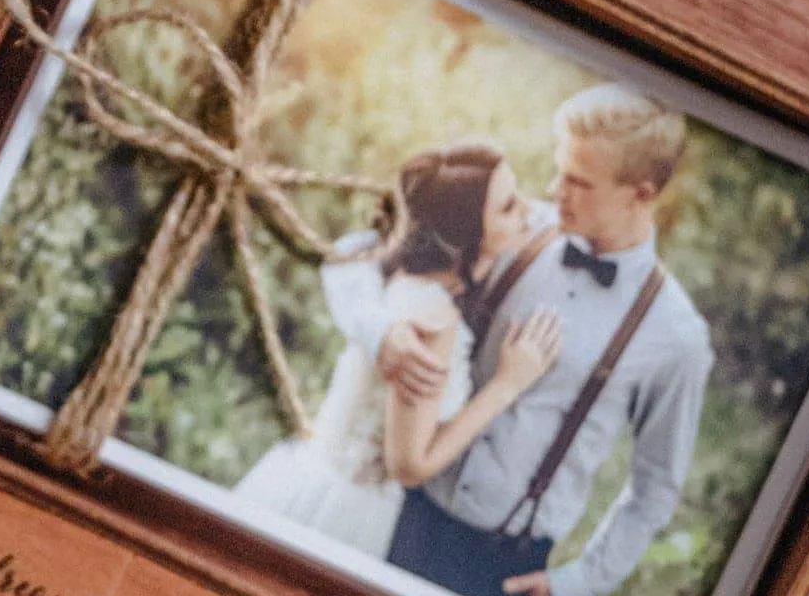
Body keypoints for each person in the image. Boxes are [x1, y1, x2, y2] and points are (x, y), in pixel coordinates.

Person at [348, 84, 714, 596]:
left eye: (577, 182)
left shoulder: (676, 336)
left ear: (642, 191)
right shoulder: (512, 226)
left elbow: (656, 488)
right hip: (404, 514)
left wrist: (577, 584)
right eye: (559, 170)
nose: (551, 190)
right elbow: (361, 257)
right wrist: (383, 331)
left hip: (501, 571)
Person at [233, 141, 563, 558]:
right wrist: (507, 384)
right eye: (509, 207)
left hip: (313, 484)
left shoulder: (399, 273)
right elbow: (409, 465)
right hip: (342, 514)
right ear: (466, 237)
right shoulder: (430, 319)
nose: (528, 213)